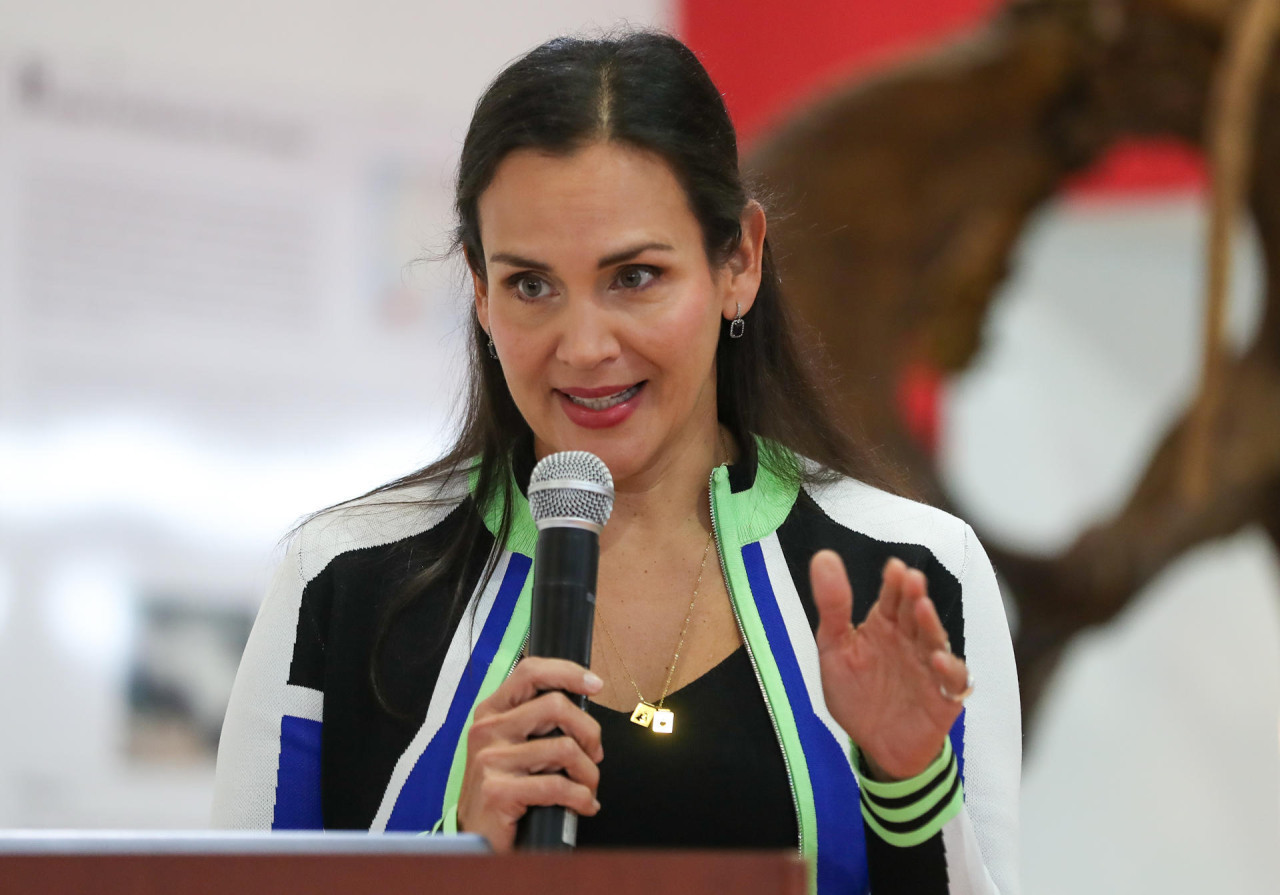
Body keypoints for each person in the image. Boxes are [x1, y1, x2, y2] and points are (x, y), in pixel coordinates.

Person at [212, 30, 1021, 895]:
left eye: (634, 277)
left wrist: (907, 783)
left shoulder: (908, 570)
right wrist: (454, 855)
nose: (585, 345)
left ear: (738, 263)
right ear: (480, 293)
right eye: (530, 285)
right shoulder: (342, 577)